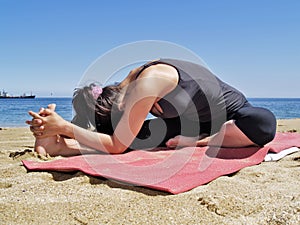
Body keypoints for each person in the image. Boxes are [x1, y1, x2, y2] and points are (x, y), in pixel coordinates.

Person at [26, 58, 277, 156]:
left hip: (232, 116)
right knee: (139, 136)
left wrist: (67, 127)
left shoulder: (147, 86)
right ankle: (56, 146)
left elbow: (116, 145)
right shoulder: (125, 86)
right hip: (188, 123)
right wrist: (53, 128)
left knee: (264, 123)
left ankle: (200, 141)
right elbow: (109, 125)